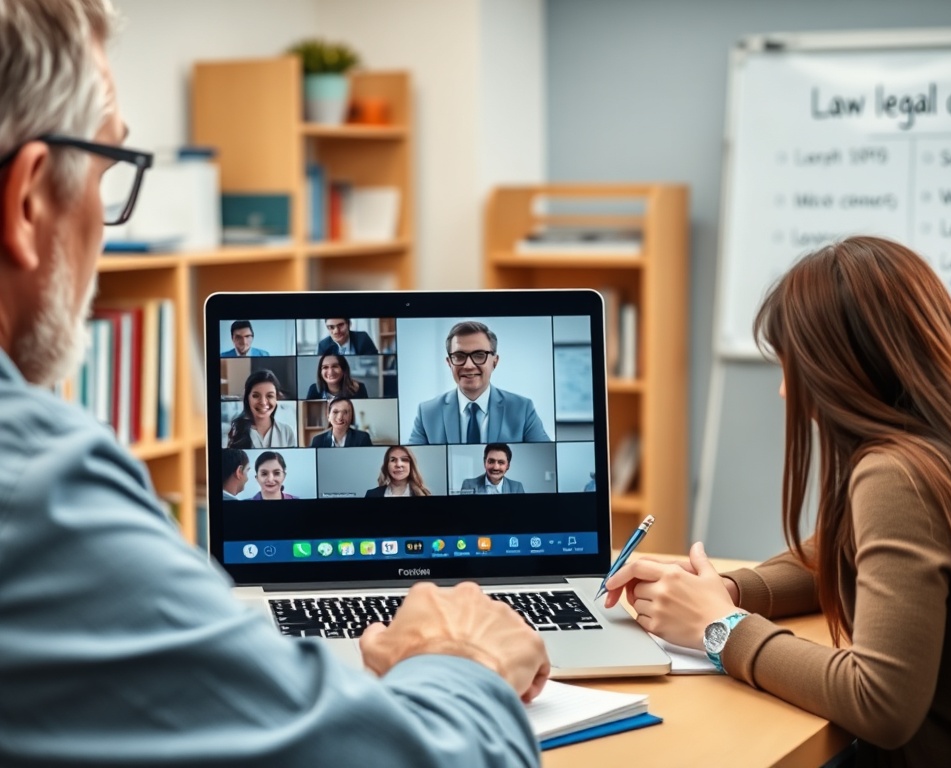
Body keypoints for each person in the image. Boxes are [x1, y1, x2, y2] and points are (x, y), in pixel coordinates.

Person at [0, 3, 549, 764]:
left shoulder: (493, 422)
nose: (105, 219)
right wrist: (464, 663)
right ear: (29, 203)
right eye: (106, 174)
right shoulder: (38, 488)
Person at [604, 237, 951, 768]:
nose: (785, 391)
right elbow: (838, 552)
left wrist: (721, 629)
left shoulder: (897, 475)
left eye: (792, 367)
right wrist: (724, 592)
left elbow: (879, 703)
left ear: (845, 367)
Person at [409, 321, 550, 445]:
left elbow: (546, 454)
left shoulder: (522, 409)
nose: (469, 365)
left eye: (479, 355)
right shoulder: (427, 412)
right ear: (449, 362)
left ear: (495, 361)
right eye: (459, 356)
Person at [226, 369, 297, 449]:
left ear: (277, 398)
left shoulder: (287, 431)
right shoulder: (236, 430)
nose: (263, 402)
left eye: (269, 396)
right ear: (247, 397)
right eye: (256, 396)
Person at [366, 445, 431, 497]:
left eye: (404, 459)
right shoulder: (371, 494)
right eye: (393, 460)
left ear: (411, 465)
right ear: (386, 466)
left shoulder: (424, 494)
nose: (398, 465)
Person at [461, 443, 525, 495]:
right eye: (491, 461)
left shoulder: (517, 487)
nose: (495, 467)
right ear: (484, 462)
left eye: (501, 462)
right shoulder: (468, 485)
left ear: (508, 466)